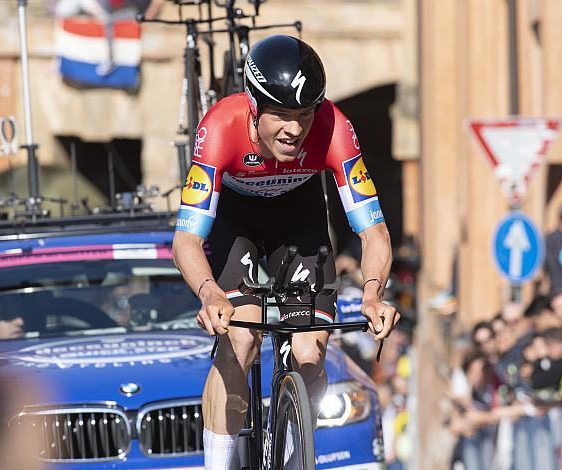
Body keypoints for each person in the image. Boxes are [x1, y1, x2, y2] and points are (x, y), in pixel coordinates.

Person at [171, 35, 400, 469]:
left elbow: (375, 232)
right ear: (254, 106)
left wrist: (372, 294)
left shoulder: (335, 128)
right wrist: (209, 293)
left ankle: (296, 458)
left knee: (311, 356)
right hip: (234, 223)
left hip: (300, 219)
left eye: (304, 114)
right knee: (240, 339)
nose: (294, 130)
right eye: (280, 115)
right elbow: (185, 240)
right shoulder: (219, 128)